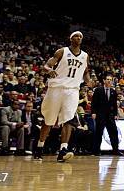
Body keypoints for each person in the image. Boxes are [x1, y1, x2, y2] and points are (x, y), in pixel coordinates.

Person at [33, 31, 92, 162]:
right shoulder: (62, 52)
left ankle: (63, 150)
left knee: (68, 120)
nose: (79, 38)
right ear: (71, 38)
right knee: (49, 120)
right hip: (56, 89)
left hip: (72, 90)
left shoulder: (85, 56)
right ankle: (39, 147)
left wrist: (89, 81)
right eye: (76, 36)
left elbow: (86, 72)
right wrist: (49, 70)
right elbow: (46, 65)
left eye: (81, 37)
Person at [91, 74, 122, 155]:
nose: (109, 81)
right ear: (104, 80)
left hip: (110, 116)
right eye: (107, 79)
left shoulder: (113, 91)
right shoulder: (98, 90)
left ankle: (115, 150)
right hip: (100, 115)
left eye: (110, 79)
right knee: (99, 133)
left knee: (114, 132)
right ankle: (96, 151)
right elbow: (93, 102)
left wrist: (115, 114)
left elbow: (114, 105)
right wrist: (93, 112)